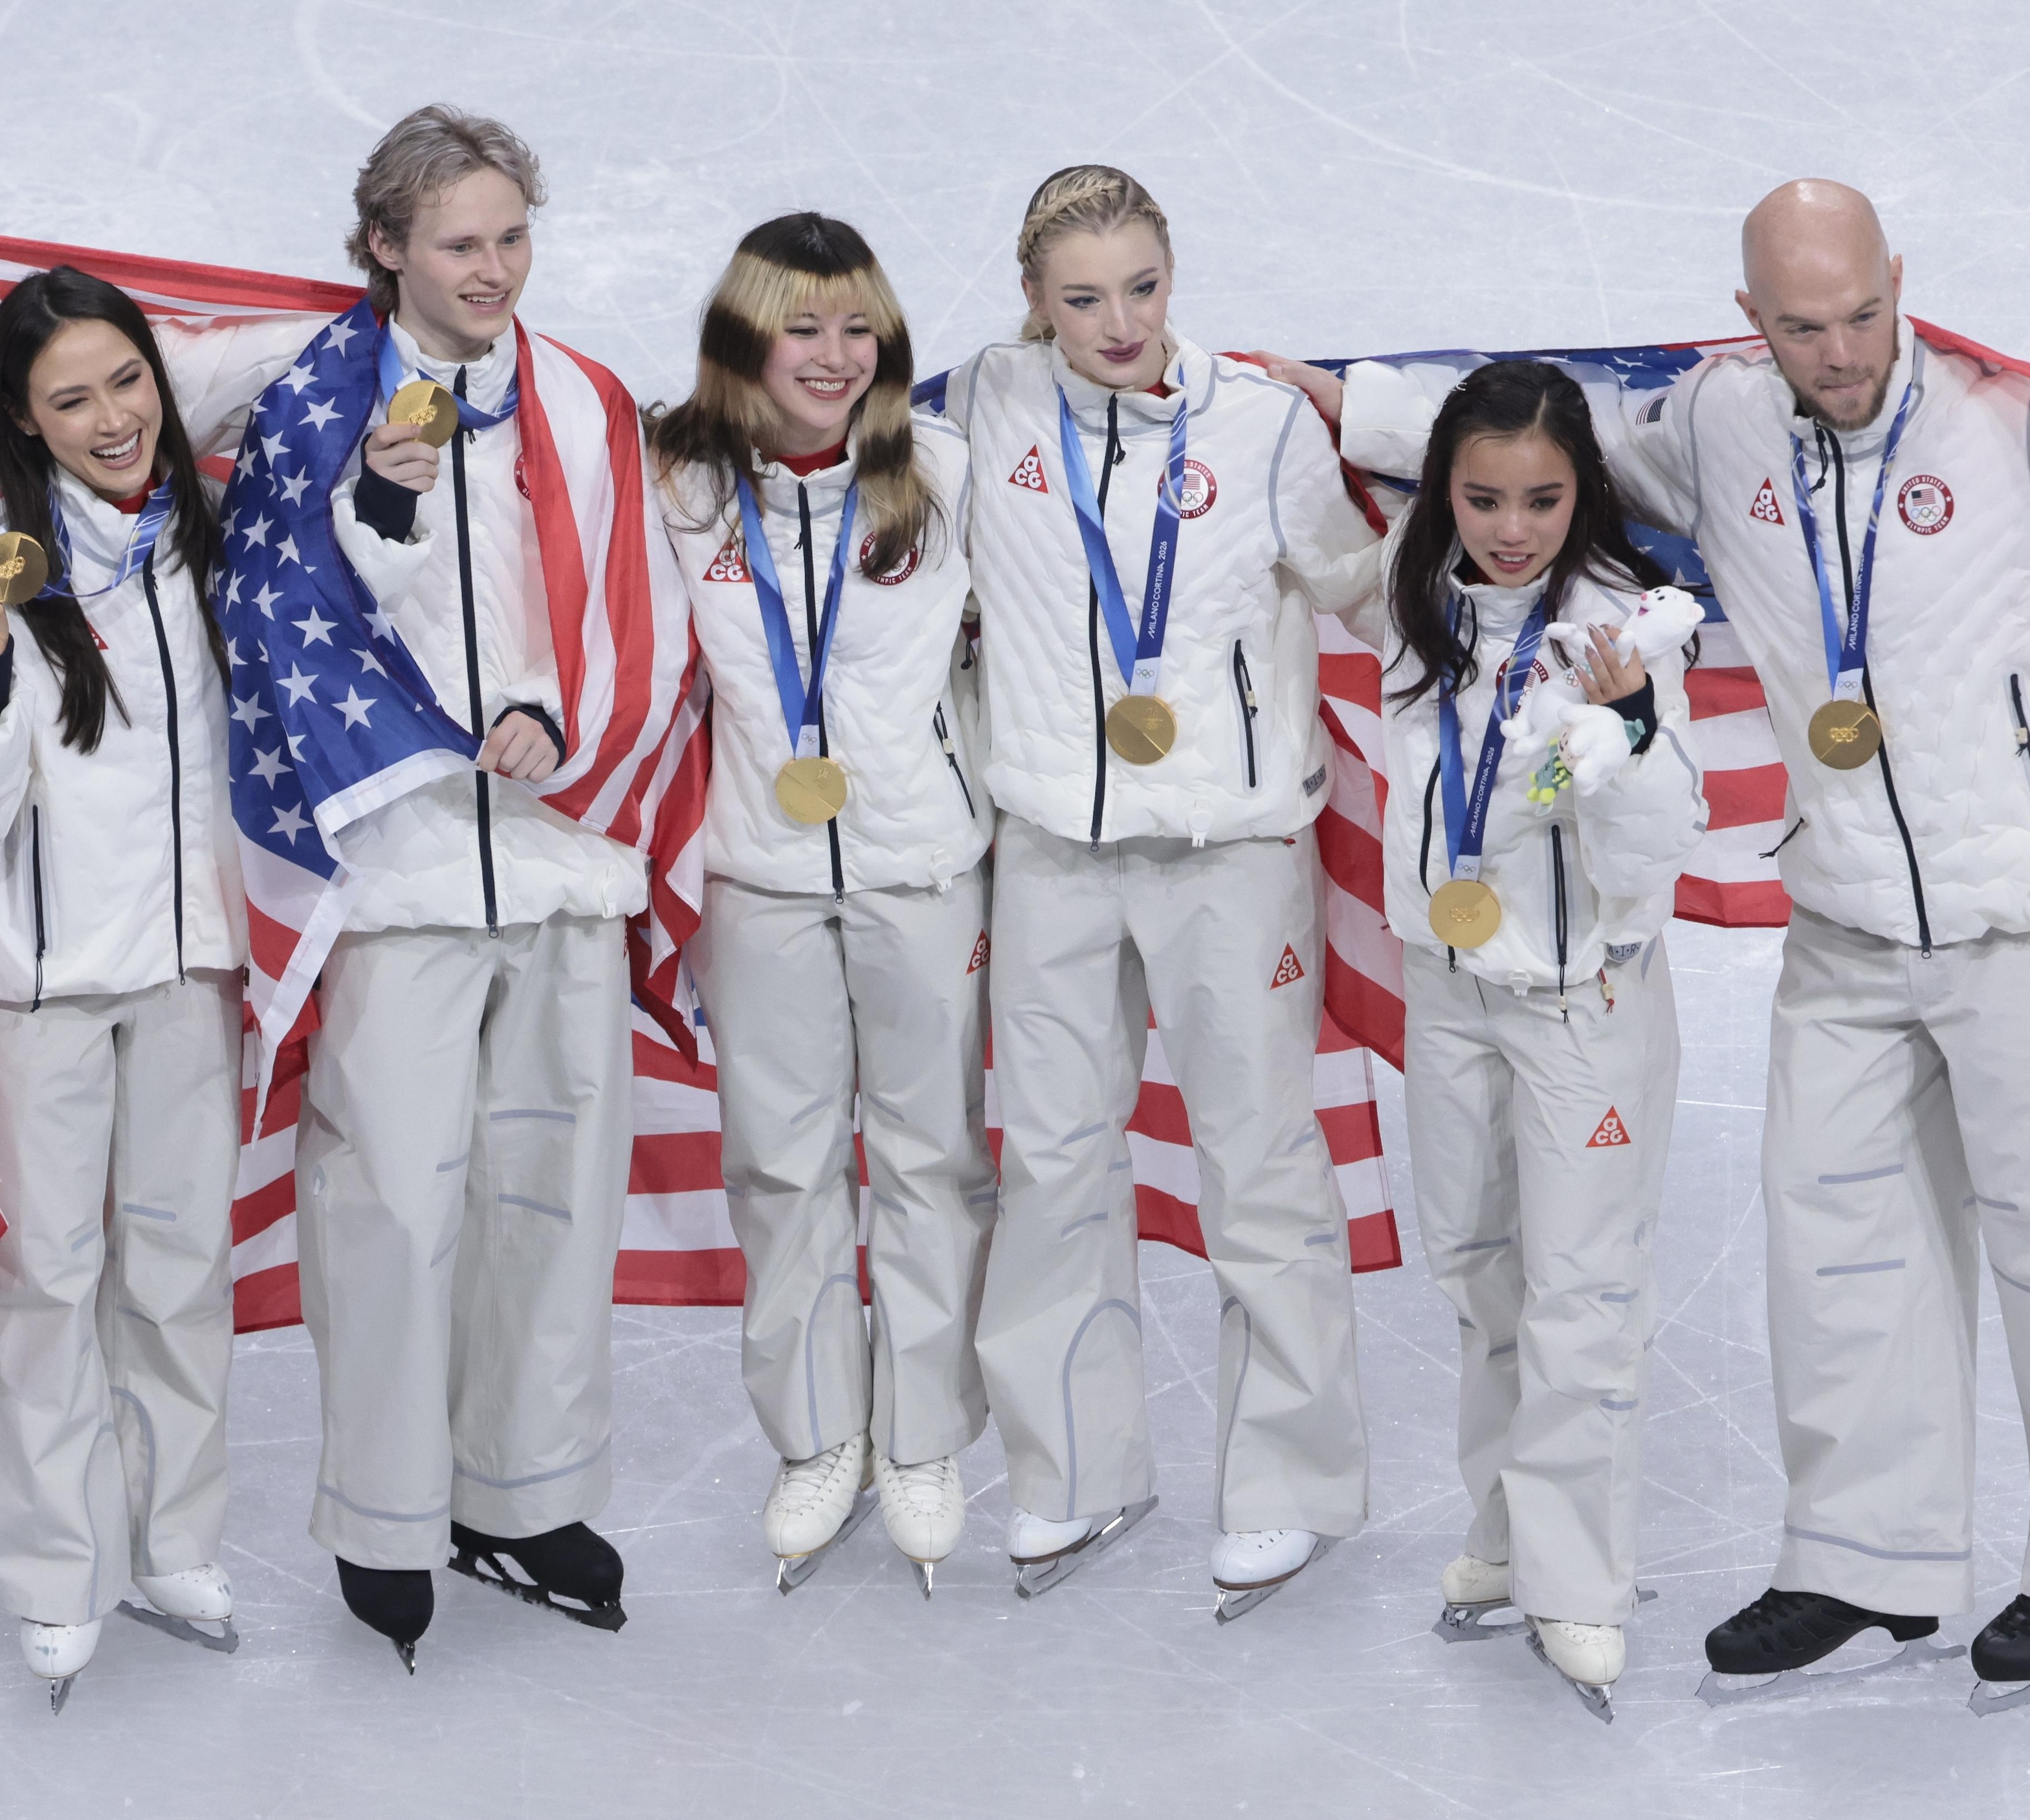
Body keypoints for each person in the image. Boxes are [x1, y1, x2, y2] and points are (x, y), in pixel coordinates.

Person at [1352, 179, 2030, 1690]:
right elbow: (1542, 434)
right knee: (1834, 1243)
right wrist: (1327, 399)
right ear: (1752, 321)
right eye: (1803, 325)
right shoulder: (1723, 420)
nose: (1840, 350)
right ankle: (1865, 1562)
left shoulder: (2016, 424)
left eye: (1863, 313)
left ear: (1900, 282)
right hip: (1853, 914)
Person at [923, 166, 1385, 1615]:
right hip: (1053, 844)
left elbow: (1363, 586)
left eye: (1141, 286)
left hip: (1233, 851)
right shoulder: (985, 407)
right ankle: (1072, 1467)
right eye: (1081, 298)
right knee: (1055, 1163)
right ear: (1030, 302)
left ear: (1173, 275)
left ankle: (1292, 1480)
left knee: (1258, 1166)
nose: (1119, 323)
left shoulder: (1254, 422)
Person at [294, 105, 690, 1668]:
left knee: (550, 1191)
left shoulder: (585, 396)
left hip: (563, 848)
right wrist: (385, 488)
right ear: (385, 244)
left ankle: (518, 1492)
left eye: (512, 236)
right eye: (459, 242)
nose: (493, 269)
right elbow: (304, 599)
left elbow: (633, 611)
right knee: (392, 1200)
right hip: (398, 865)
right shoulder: (322, 393)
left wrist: (566, 720)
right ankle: (387, 1508)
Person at [0, 267, 280, 1706]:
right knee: (51, 1283)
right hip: (47, 992)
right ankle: (59, 1570)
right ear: (22, 416)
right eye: (70, 398)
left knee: (184, 1275)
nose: (111, 417)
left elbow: (294, 349)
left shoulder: (211, 538)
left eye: (127, 380)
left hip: (194, 971)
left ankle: (176, 1541)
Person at [648, 214, 996, 1593]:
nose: (835, 356)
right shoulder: (677, 485)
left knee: (925, 1159)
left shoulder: (948, 474)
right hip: (760, 874)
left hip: (921, 865)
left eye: (859, 327)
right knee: (781, 1167)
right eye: (803, 326)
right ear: (744, 336)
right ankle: (815, 1434)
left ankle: (916, 1431)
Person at [1366, 361, 1705, 1698]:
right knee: (1478, 1271)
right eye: (1484, 496)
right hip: (1445, 988)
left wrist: (1622, 732)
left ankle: (1579, 1579)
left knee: (1578, 1295)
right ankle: (1508, 1533)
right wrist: (1329, 395)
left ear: (1584, 496)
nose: (1512, 526)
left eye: (1544, 499)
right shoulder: (1417, 600)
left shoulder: (1623, 634)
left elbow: (1662, 845)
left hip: (1580, 1003)